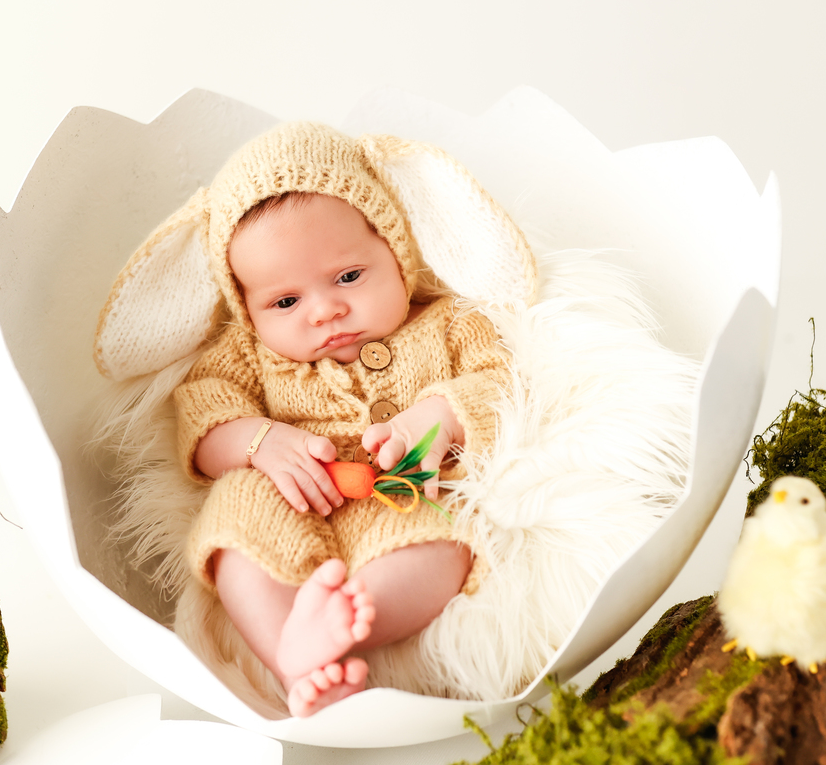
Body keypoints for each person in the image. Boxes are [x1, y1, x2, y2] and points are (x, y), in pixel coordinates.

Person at [108, 122, 523, 717]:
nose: (325, 310)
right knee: (234, 517)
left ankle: (344, 628)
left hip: (402, 494)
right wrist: (259, 441)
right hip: (289, 501)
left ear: (396, 251)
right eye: (285, 301)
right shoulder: (249, 355)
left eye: (348, 277)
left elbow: (497, 379)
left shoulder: (449, 323)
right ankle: (291, 653)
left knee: (443, 540)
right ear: (247, 308)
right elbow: (203, 411)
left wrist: (436, 419)